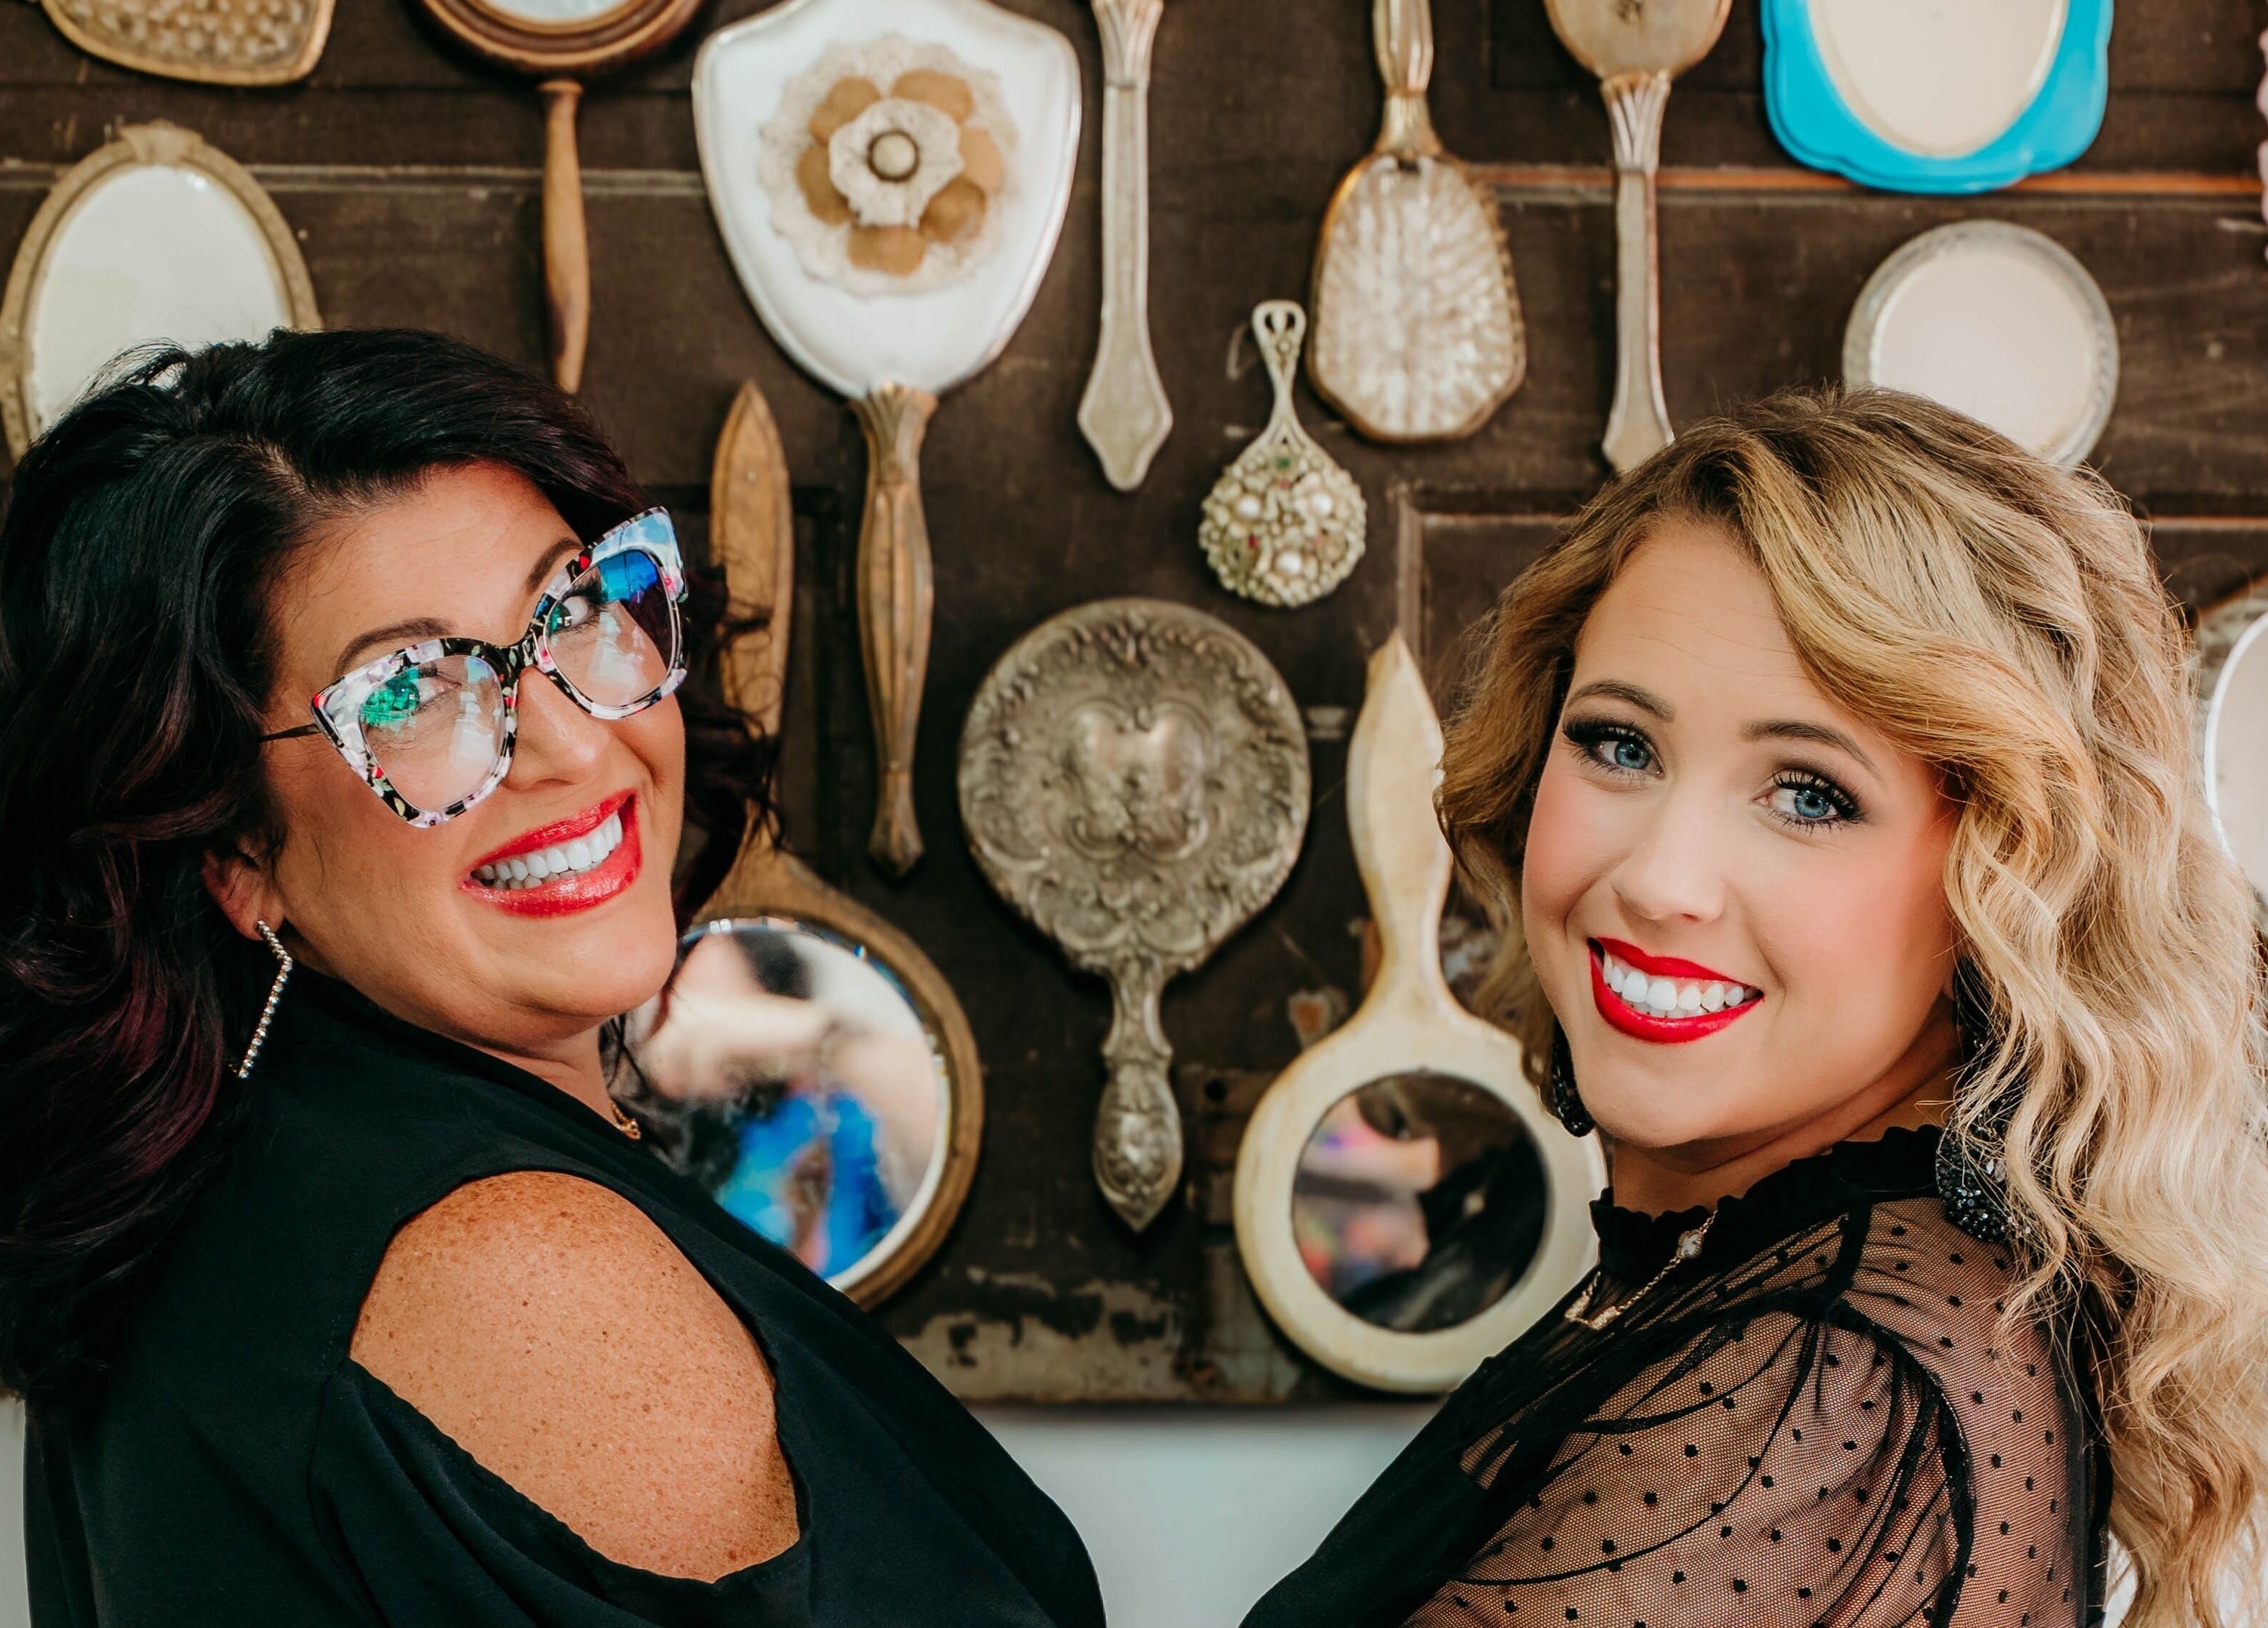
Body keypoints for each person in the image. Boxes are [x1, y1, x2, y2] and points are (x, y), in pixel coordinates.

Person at [0, 329, 1103, 1627]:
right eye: (413, 692)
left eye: (574, 610)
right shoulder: (512, 1267)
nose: (575, 745)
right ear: (234, 848)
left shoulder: (233, 1176)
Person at [1244, 388, 2268, 1627]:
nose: (1659, 880)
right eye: (1621, 744)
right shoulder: (1771, 1278)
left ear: (2002, 882)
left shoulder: (1835, 1389)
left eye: (1810, 794)